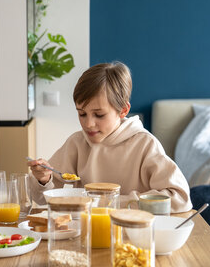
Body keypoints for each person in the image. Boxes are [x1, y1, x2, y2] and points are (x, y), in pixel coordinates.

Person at [28, 62, 192, 213]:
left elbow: (180, 198)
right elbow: (42, 198)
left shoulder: (144, 144)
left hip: (133, 234)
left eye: (99, 115)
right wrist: (44, 179)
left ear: (123, 110)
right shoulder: (77, 143)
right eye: (82, 114)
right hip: (86, 233)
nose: (89, 124)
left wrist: (109, 202)